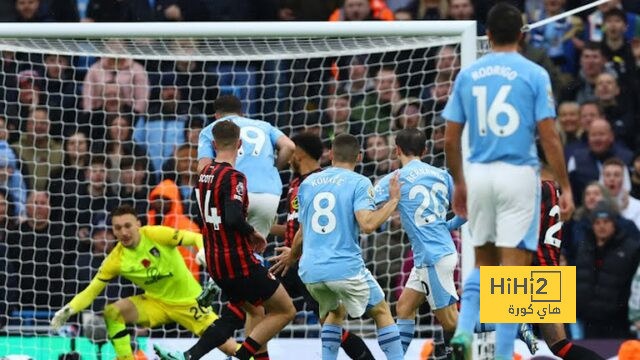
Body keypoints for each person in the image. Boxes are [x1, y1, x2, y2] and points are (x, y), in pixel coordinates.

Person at [442, 3, 574, 359]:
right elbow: (549, 136)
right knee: (512, 275)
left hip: (480, 173)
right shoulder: (533, 73)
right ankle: (502, 354)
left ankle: (464, 330)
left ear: (487, 35)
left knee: (483, 265)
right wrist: (564, 185)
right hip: (518, 175)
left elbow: (451, 139)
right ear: (521, 34)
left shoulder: (468, 75)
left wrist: (460, 182)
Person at [156, 120, 295, 360]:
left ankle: (189, 356)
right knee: (285, 311)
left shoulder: (203, 175)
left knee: (248, 313)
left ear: (212, 144)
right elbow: (231, 216)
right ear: (239, 145)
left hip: (216, 263)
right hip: (238, 262)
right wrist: (252, 232)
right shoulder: (234, 177)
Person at [272, 134, 404, 359]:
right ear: (360, 157)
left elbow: (301, 234)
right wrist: (392, 201)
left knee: (334, 311)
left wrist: (291, 257)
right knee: (381, 310)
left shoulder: (308, 183)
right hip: (344, 268)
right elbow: (368, 224)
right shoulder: (359, 182)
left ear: (331, 155)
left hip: (310, 271)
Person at [50, 205, 238, 360]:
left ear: (138, 224)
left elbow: (196, 237)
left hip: (190, 302)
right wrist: (69, 309)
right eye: (117, 228)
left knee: (229, 348)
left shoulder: (156, 235)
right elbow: (91, 291)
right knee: (113, 312)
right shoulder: (116, 259)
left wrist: (202, 251)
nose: (123, 232)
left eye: (127, 225)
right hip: (156, 303)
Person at [373, 129, 463, 357]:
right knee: (404, 307)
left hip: (433, 257)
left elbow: (366, 205)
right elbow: (466, 209)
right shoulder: (443, 175)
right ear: (425, 150)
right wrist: (448, 226)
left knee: (451, 321)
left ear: (396, 150)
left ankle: (505, 325)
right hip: (433, 254)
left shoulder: (394, 179)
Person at [197, 94, 295, 238]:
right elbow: (289, 146)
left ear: (217, 115)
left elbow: (203, 168)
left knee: (229, 249)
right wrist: (274, 168)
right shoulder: (264, 126)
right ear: (242, 113)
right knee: (255, 248)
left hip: (233, 193)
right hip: (268, 194)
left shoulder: (211, 129)